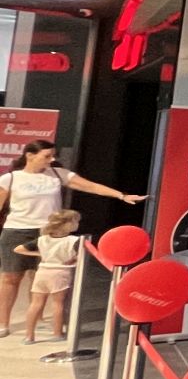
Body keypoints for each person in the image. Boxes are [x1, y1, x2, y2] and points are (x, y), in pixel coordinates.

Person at [0, 141, 146, 338]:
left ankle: (38, 319)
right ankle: (3, 322)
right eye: (46, 156)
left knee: (40, 276)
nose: (51, 159)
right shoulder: (10, 178)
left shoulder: (58, 174)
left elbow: (91, 186)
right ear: (30, 155)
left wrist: (121, 195)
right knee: (10, 278)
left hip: (49, 233)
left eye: (53, 155)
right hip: (17, 230)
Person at [12, 208, 82, 344]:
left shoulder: (42, 239)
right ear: (67, 224)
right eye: (75, 221)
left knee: (35, 304)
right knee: (58, 304)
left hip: (42, 272)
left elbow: (18, 249)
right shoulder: (73, 240)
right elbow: (81, 256)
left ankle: (29, 336)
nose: (77, 224)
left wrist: (41, 254)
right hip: (60, 273)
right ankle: (57, 333)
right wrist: (74, 259)